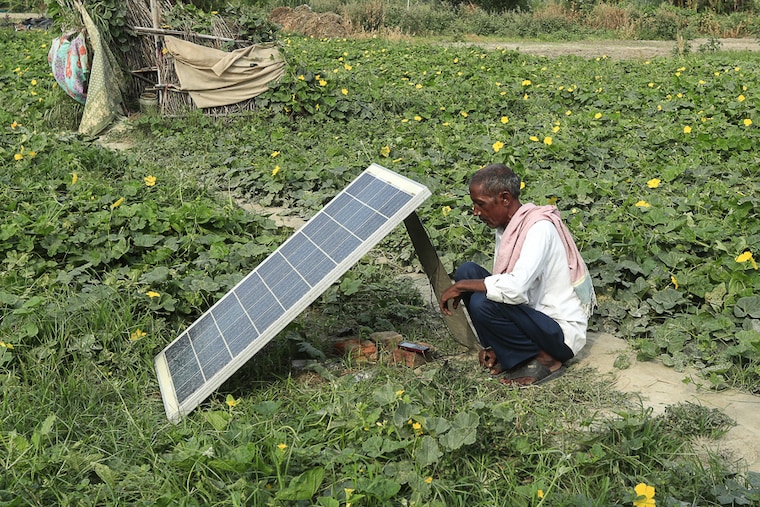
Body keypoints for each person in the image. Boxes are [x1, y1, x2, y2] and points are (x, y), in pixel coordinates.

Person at [439, 163, 595, 386]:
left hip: (558, 331)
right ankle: (505, 350)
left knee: (482, 299)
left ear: (504, 198)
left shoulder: (539, 228)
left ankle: (546, 359)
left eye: (480, 204)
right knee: (468, 271)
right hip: (531, 318)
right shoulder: (507, 227)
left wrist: (461, 287)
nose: (475, 212)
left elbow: (515, 288)